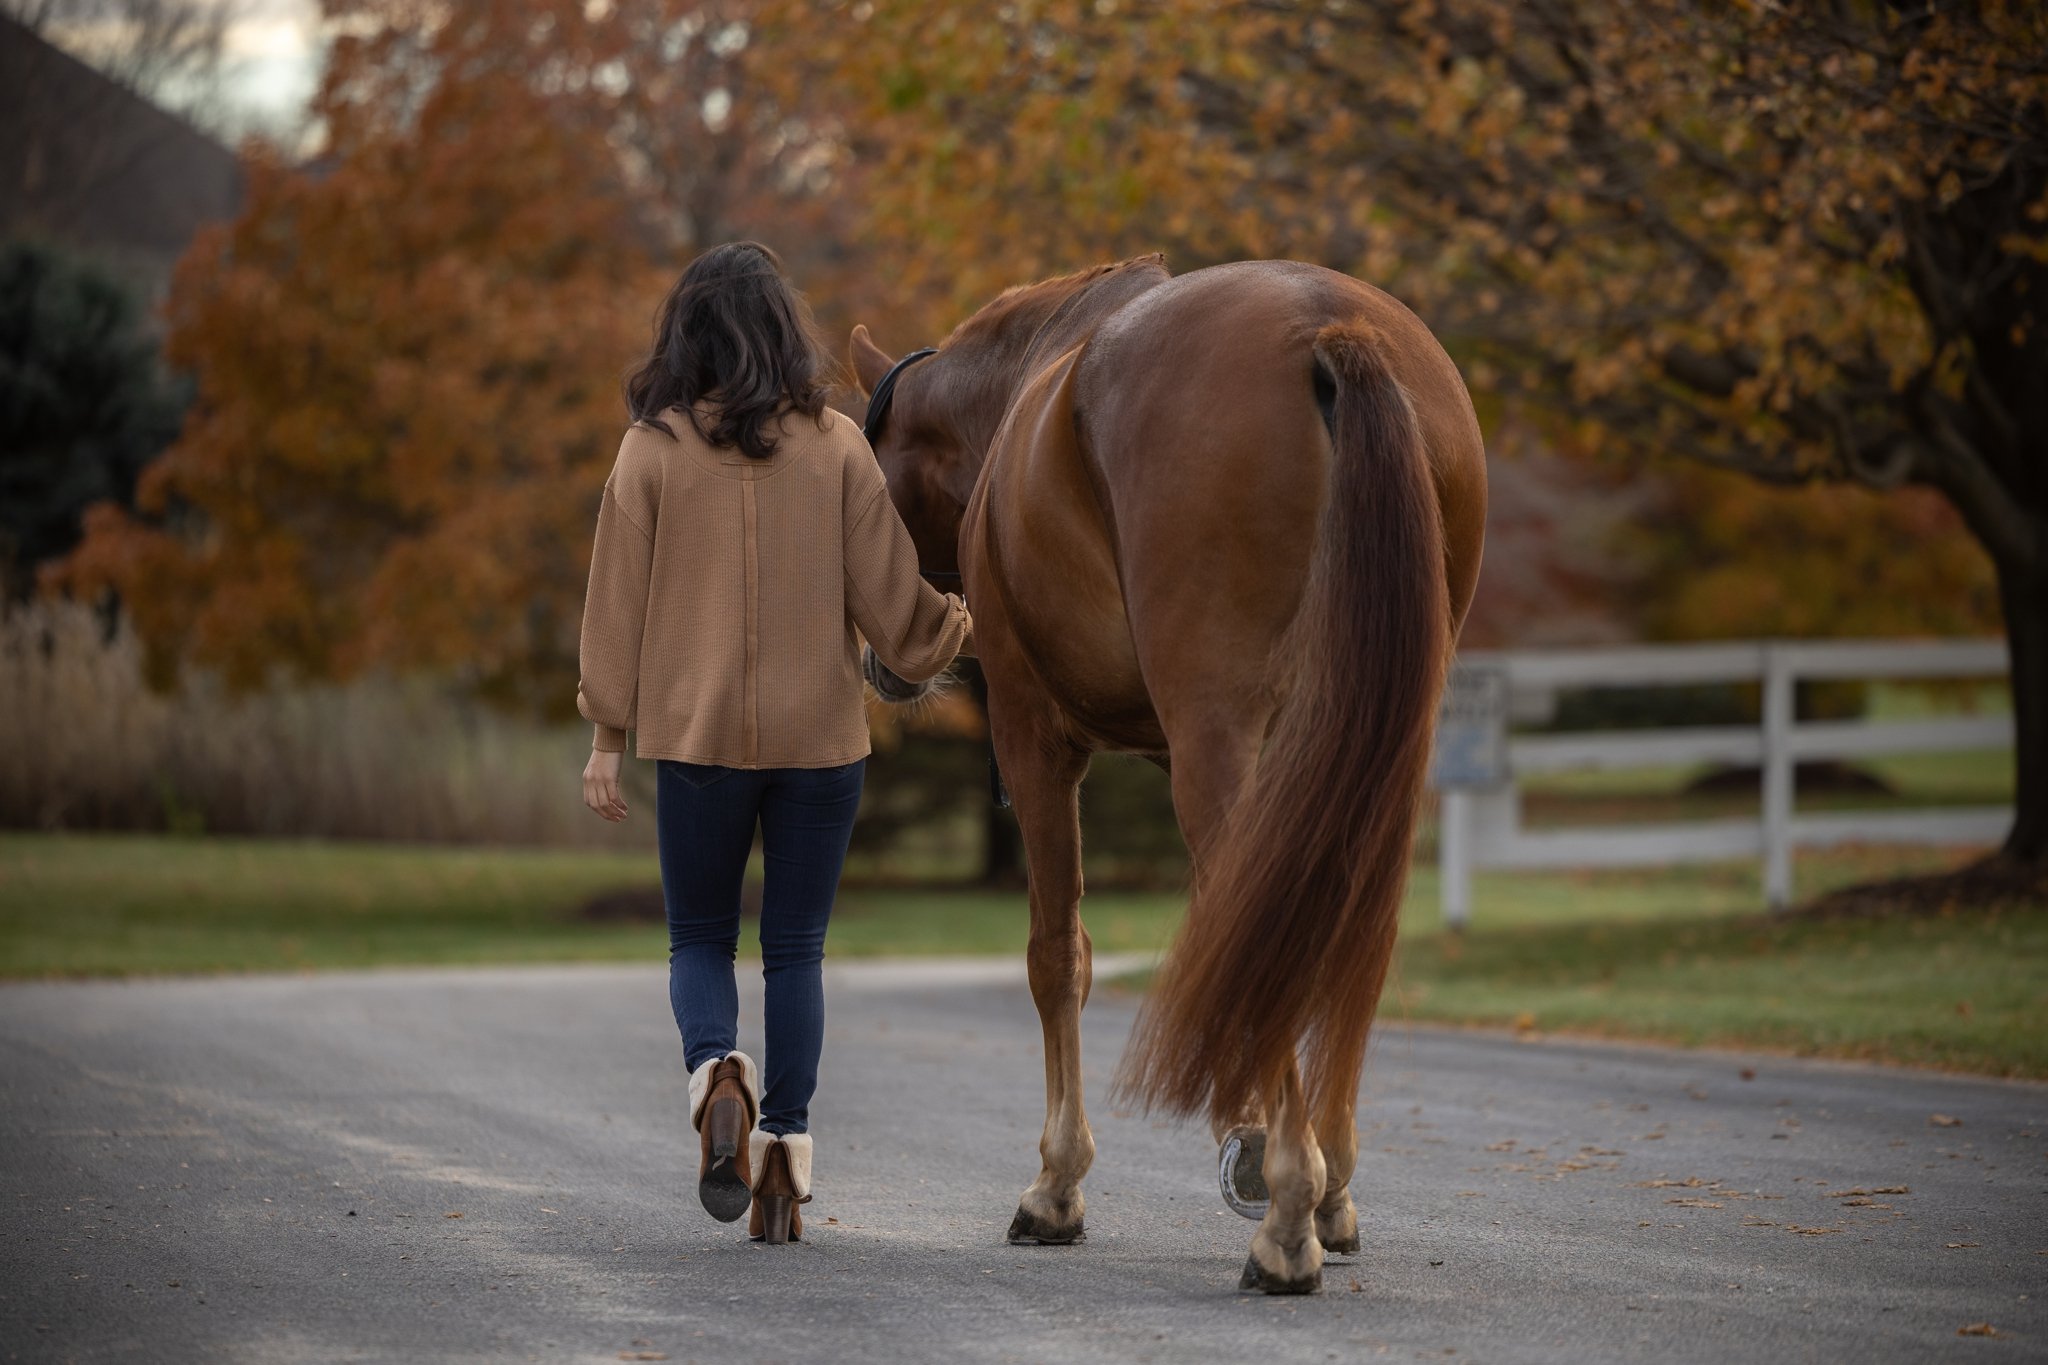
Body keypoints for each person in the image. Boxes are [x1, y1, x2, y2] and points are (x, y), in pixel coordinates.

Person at [575, 241, 971, 1244]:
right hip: (819, 743)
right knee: (795, 951)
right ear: (781, 329)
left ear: (687, 334)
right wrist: (960, 626)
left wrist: (606, 737)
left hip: (696, 739)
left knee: (700, 938)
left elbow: (614, 606)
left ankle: (717, 1072)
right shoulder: (836, 446)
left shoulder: (649, 450)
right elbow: (894, 605)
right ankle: (784, 1151)